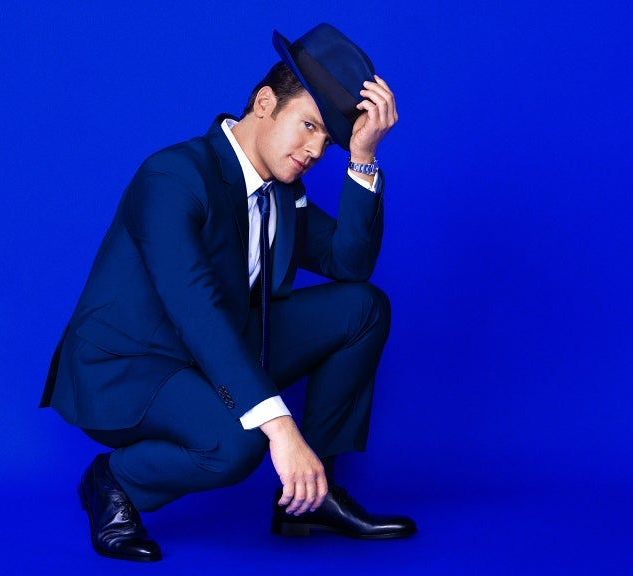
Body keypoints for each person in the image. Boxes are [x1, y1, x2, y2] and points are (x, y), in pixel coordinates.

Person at [40, 23, 416, 562]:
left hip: (212, 352)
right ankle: (114, 480)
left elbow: (349, 264)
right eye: (309, 126)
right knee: (239, 442)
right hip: (132, 366)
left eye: (327, 141)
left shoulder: (282, 190)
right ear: (265, 104)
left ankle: (310, 497)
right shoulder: (173, 177)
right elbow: (196, 309)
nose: (315, 150)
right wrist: (281, 428)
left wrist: (362, 157)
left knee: (363, 309)